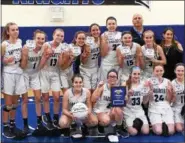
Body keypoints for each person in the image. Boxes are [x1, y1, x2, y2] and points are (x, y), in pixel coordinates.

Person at [1, 22, 27, 138]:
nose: (16, 31)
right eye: (13, 30)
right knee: (8, 104)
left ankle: (12, 125)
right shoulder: (4, 44)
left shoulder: (20, 42)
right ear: (8, 32)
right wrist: (5, 61)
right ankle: (5, 127)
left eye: (17, 29)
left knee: (15, 103)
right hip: (8, 74)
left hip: (19, 73)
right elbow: (1, 60)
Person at [20, 30, 47, 132]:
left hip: (35, 74)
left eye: (42, 39)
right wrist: (25, 56)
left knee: (38, 98)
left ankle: (39, 122)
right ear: (34, 39)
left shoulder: (44, 49)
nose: (40, 40)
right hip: (25, 74)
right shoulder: (26, 48)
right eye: (38, 38)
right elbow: (22, 66)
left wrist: (45, 57)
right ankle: (25, 125)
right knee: (25, 100)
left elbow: (40, 67)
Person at [39, 28, 64, 130]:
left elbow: (61, 65)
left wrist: (64, 57)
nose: (59, 37)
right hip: (44, 71)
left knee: (57, 97)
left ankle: (55, 117)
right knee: (45, 97)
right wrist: (46, 55)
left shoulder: (62, 47)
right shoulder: (46, 45)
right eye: (58, 35)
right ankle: (48, 117)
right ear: (53, 35)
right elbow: (40, 63)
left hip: (55, 72)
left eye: (62, 36)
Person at [92, 69, 128, 137]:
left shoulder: (119, 89)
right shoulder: (102, 87)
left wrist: (125, 99)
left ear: (117, 79)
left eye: (114, 76)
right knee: (106, 121)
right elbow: (93, 99)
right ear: (107, 78)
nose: (112, 78)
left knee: (118, 110)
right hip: (101, 111)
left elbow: (122, 106)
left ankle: (119, 128)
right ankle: (100, 124)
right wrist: (98, 88)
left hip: (111, 112)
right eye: (110, 76)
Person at [148, 65, 175, 136]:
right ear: (153, 71)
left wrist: (169, 92)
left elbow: (169, 100)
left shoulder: (168, 81)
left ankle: (163, 123)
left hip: (166, 107)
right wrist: (150, 91)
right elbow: (147, 101)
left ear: (164, 71)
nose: (159, 73)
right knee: (158, 131)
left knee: (171, 132)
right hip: (154, 108)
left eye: (161, 71)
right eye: (157, 71)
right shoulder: (149, 81)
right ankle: (157, 124)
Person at [123, 66, 150, 136]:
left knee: (146, 132)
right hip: (128, 111)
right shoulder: (125, 84)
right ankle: (124, 124)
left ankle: (137, 124)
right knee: (134, 133)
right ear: (130, 74)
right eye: (134, 74)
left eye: (138, 74)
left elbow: (144, 102)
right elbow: (122, 103)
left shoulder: (143, 84)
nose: (137, 76)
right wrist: (128, 95)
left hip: (139, 110)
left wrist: (148, 93)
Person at [80, 23, 101, 93]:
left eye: (97, 30)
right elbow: (83, 61)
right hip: (85, 69)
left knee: (94, 90)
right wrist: (86, 54)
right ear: (90, 32)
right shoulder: (86, 42)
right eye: (93, 30)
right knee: (87, 91)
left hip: (95, 69)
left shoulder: (101, 40)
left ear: (99, 30)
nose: (95, 32)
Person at [99, 16, 122, 81]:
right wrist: (105, 42)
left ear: (116, 25)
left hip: (117, 63)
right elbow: (103, 54)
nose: (111, 25)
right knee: (106, 83)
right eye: (109, 24)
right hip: (107, 63)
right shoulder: (103, 35)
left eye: (113, 24)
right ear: (106, 26)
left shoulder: (121, 35)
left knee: (117, 84)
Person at [171, 63, 184, 132]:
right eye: (178, 70)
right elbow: (170, 101)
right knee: (179, 129)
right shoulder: (172, 83)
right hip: (176, 108)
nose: (180, 72)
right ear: (175, 71)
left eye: (182, 71)